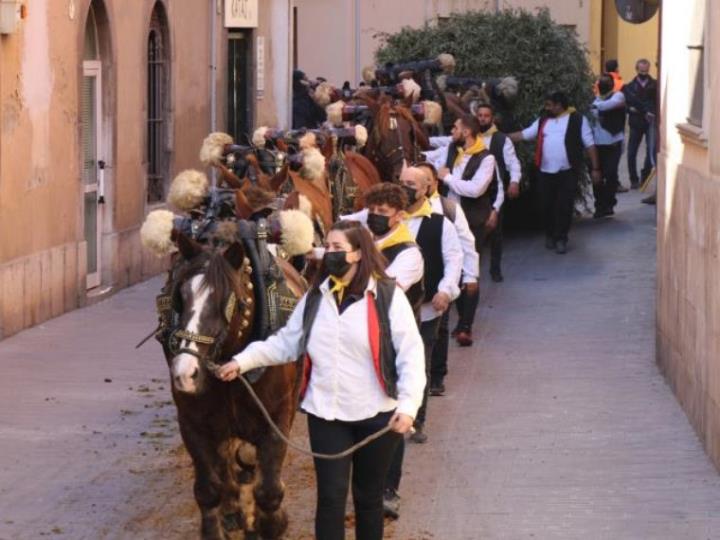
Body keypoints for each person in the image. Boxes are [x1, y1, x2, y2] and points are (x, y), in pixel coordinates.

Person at [217, 220, 425, 540]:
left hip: (378, 414)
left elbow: (410, 355)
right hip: (327, 412)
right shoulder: (317, 296)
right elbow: (287, 342)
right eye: (327, 246)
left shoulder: (386, 296)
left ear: (357, 254)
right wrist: (242, 361)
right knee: (330, 498)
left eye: (337, 248)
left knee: (369, 499)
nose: (329, 253)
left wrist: (409, 406)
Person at [342, 168, 462, 443]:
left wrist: (446, 290)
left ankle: (416, 418)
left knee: (420, 360)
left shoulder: (440, 223)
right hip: (384, 314)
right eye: (402, 182)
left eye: (412, 184)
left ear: (426, 187)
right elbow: (346, 222)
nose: (406, 187)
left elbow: (455, 257)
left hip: (425, 304)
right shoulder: (376, 219)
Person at [363, 183, 424, 520]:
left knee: (391, 417)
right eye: (372, 211)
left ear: (399, 216)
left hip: (393, 344)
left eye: (383, 214)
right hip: (363, 342)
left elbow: (381, 290)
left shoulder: (408, 253)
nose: (374, 218)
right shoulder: (364, 239)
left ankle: (389, 488)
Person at [423, 115, 496, 346]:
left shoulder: (487, 158)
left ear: (466, 132)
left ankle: (466, 325)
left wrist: (447, 178)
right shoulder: (452, 149)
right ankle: (454, 317)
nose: (451, 130)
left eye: (455, 127)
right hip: (450, 218)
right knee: (451, 264)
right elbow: (431, 159)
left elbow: (475, 189)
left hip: (473, 220)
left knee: (470, 269)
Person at [509, 91, 600, 254]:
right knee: (546, 205)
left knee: (564, 206)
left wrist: (595, 168)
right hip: (545, 171)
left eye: (550, 105)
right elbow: (525, 134)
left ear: (559, 105)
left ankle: (561, 238)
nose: (547, 108)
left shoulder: (578, 120)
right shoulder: (543, 120)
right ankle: (549, 234)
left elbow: (590, 145)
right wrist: (500, 138)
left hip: (567, 171)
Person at [417, 162, 478, 388]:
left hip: (440, 278)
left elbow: (466, 244)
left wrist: (471, 276)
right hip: (413, 281)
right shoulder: (401, 211)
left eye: (424, 180)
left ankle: (436, 376)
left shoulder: (449, 208)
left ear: (433, 183)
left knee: (439, 329)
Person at [475, 103, 522, 282]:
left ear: (492, 118)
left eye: (486, 116)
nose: (482, 119)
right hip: (474, 192)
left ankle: (495, 269)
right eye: (480, 115)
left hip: (495, 192)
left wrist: (514, 182)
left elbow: (513, 163)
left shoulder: (502, 140)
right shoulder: (471, 137)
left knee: (496, 233)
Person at [591, 74, 627, 218]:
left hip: (613, 144)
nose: (603, 84)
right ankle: (600, 206)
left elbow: (609, 105)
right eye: (601, 82)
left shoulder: (618, 96)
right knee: (597, 177)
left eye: (606, 82)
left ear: (612, 84)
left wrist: (593, 106)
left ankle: (609, 202)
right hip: (596, 146)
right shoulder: (595, 100)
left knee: (611, 174)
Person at [622, 59, 658, 189]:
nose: (644, 73)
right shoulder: (629, 87)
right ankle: (633, 179)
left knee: (651, 151)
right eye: (641, 70)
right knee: (632, 152)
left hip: (650, 122)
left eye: (646, 70)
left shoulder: (655, 85)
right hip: (636, 122)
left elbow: (657, 103)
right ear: (636, 70)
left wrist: (652, 112)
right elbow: (624, 104)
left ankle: (645, 176)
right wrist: (630, 109)